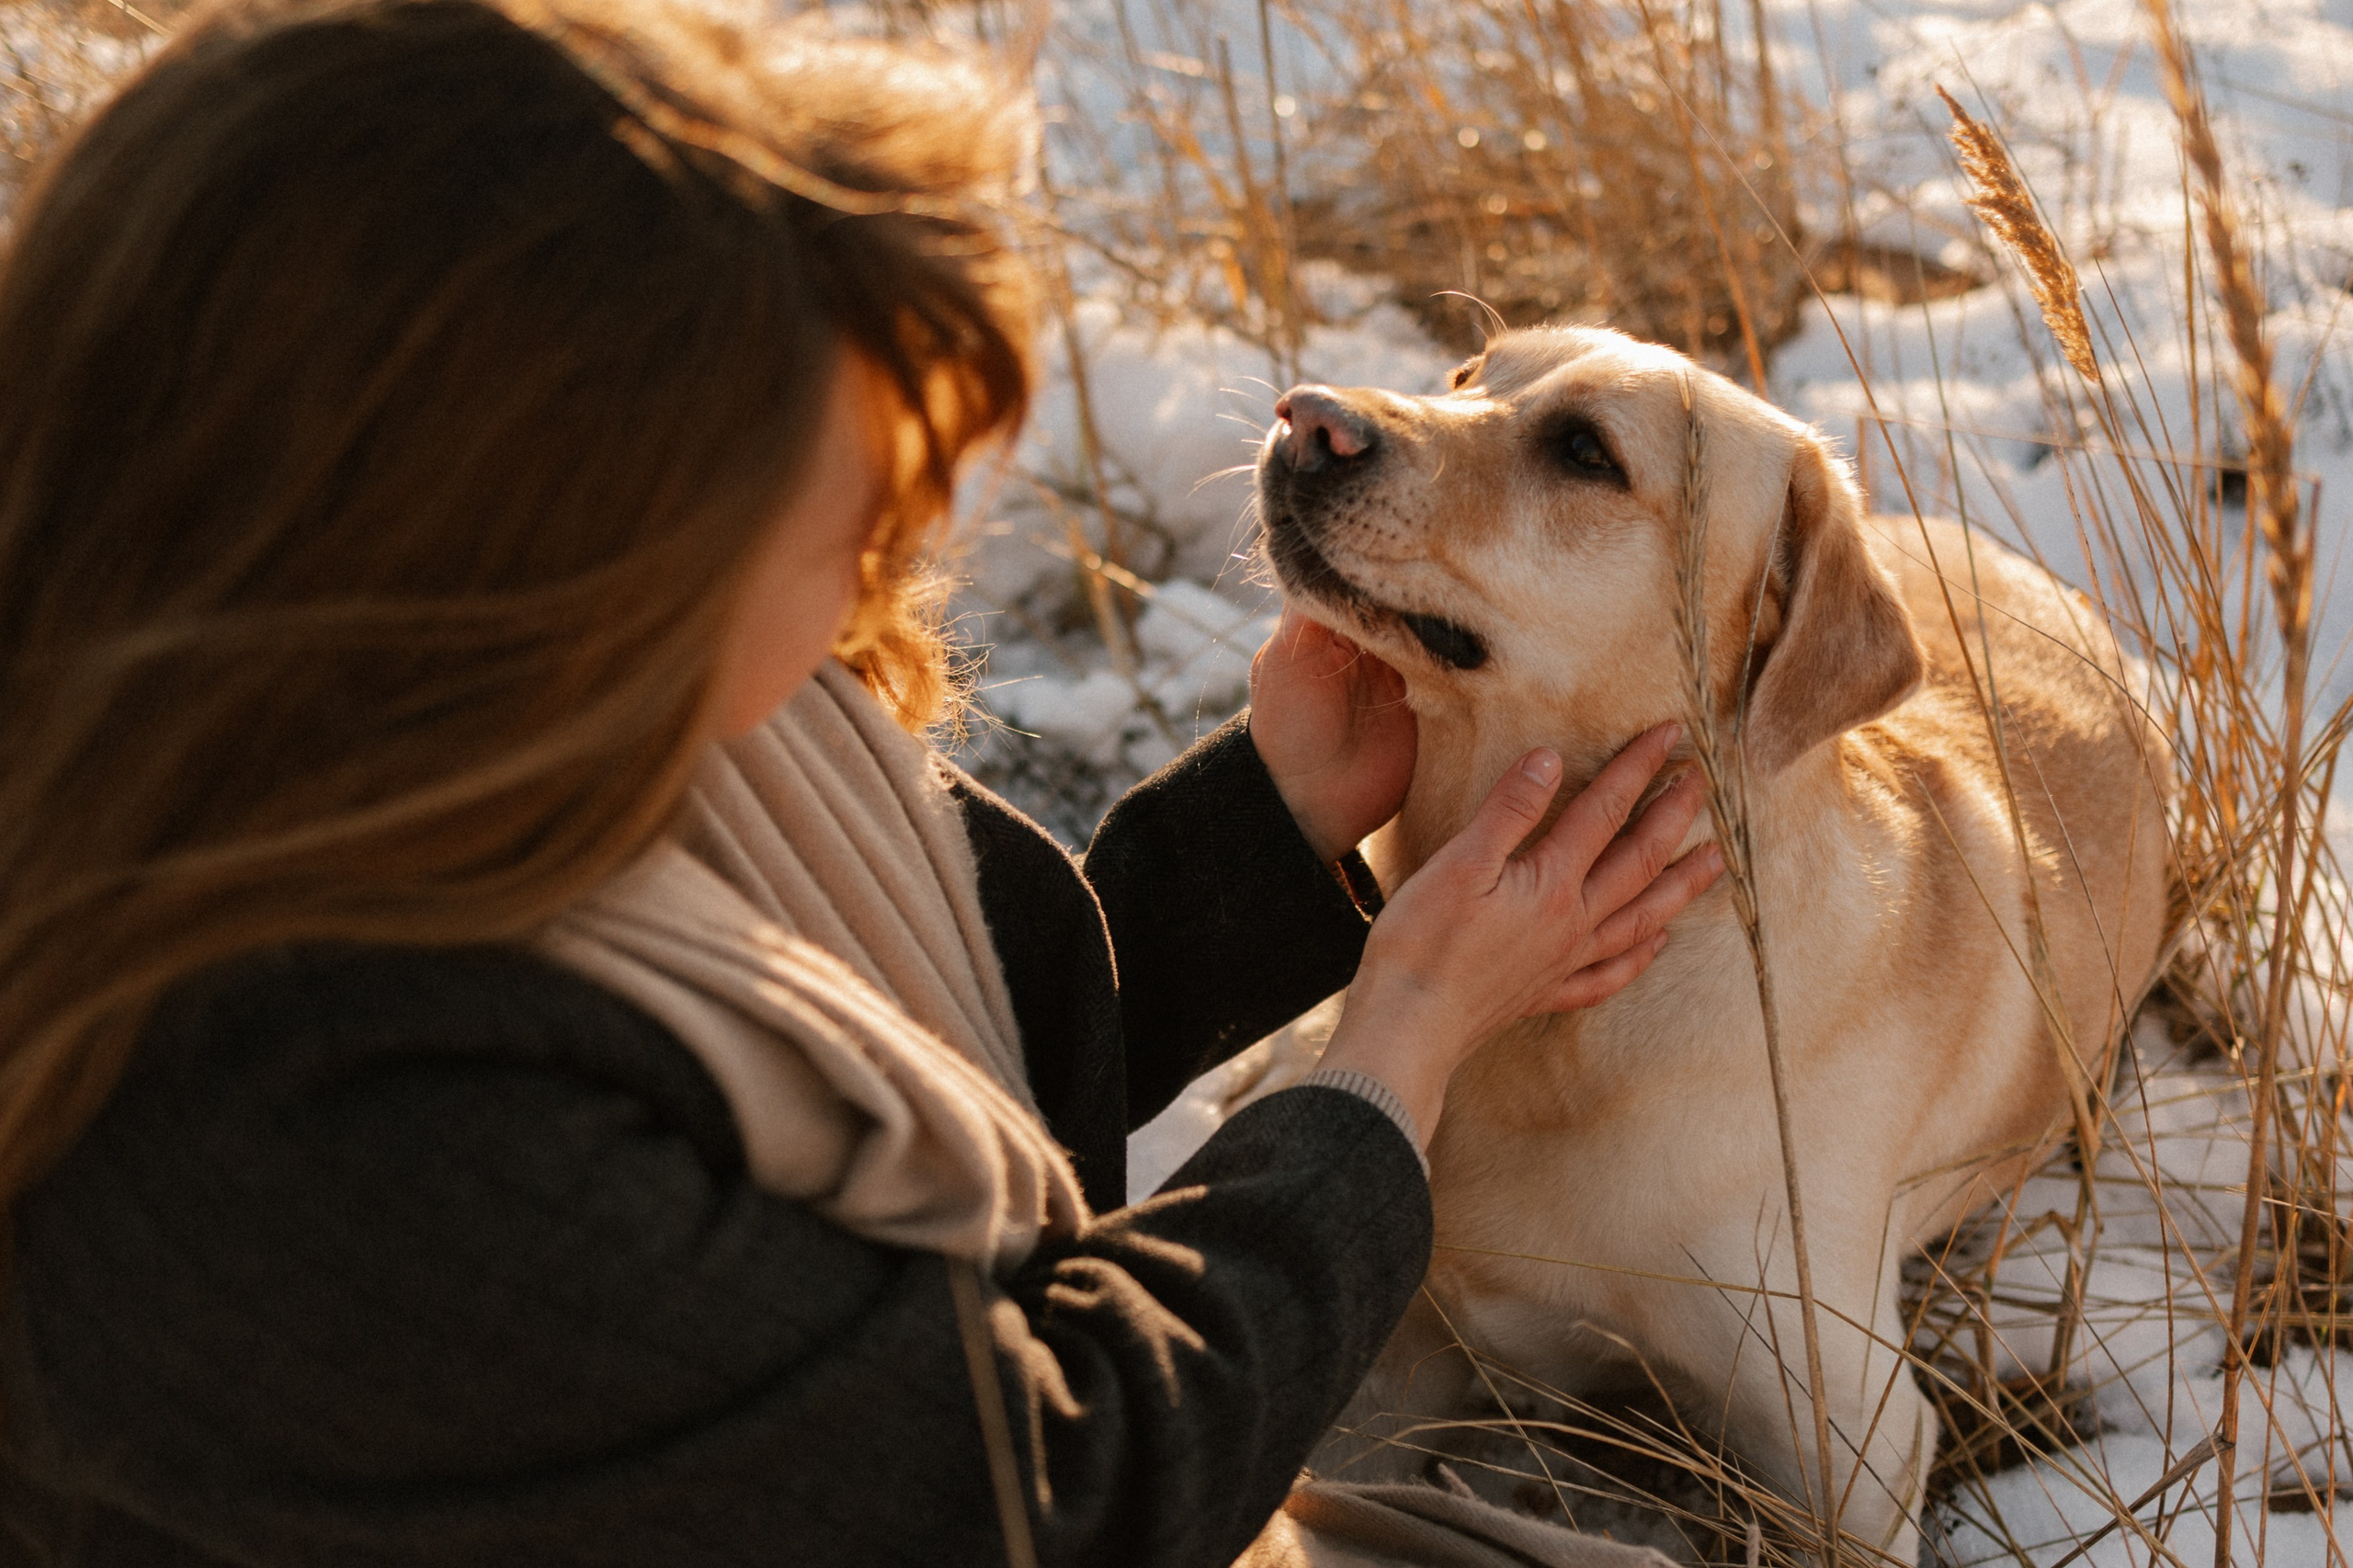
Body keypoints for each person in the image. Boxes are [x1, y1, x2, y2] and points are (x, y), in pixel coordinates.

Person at [0, 1, 1722, 1563]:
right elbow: (1052, 1491)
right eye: (836, 514)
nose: (886, 567)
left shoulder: (467, 756)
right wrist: (1394, 1053)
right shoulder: (302, 1128)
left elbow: (920, 1049)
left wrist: (1266, 822)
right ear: (534, 542)